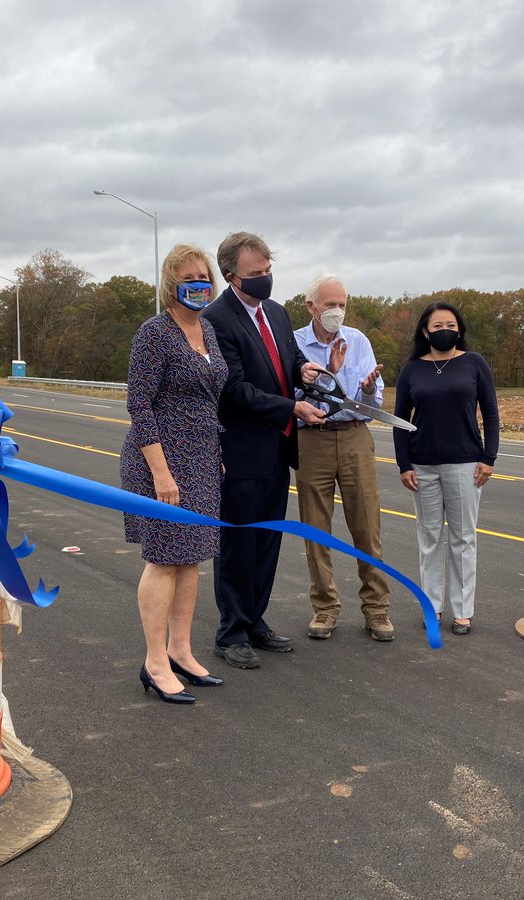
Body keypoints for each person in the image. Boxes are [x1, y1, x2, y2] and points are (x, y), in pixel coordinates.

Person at [203, 232, 324, 669]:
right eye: (256, 273)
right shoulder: (216, 320)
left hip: (277, 448)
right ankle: (231, 631)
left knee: (268, 541)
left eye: (269, 270)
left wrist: (303, 370)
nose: (265, 278)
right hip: (240, 452)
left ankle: (255, 620)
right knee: (239, 543)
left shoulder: (275, 311)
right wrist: (292, 406)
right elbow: (234, 389)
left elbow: (287, 360)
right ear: (231, 276)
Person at [121, 244, 228, 703]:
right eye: (189, 278)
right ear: (171, 284)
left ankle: (180, 650)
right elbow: (139, 405)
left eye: (204, 277)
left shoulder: (207, 329)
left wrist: (214, 451)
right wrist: (162, 474)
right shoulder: (155, 332)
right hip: (160, 462)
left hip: (201, 460)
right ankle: (155, 662)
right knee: (164, 559)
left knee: (192, 559)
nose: (199, 284)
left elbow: (209, 397)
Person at [293, 274, 393, 642]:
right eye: (330, 304)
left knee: (367, 527)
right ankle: (325, 608)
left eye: (342, 305)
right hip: (312, 440)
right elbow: (293, 398)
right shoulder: (294, 344)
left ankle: (377, 609)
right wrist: (330, 374)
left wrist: (366, 391)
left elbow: (372, 402)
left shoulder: (358, 341)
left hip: (354, 436)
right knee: (315, 530)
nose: (337, 311)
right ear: (312, 307)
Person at [393, 302, 499, 636]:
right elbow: (400, 420)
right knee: (429, 538)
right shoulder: (412, 369)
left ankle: (463, 611)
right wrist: (403, 463)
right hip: (422, 465)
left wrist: (489, 457)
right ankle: (432, 606)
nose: (445, 331)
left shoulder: (474, 363)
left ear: (460, 329)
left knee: (463, 538)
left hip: (466, 464)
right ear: (425, 332)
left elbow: (491, 413)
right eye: (437, 326)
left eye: (451, 325)